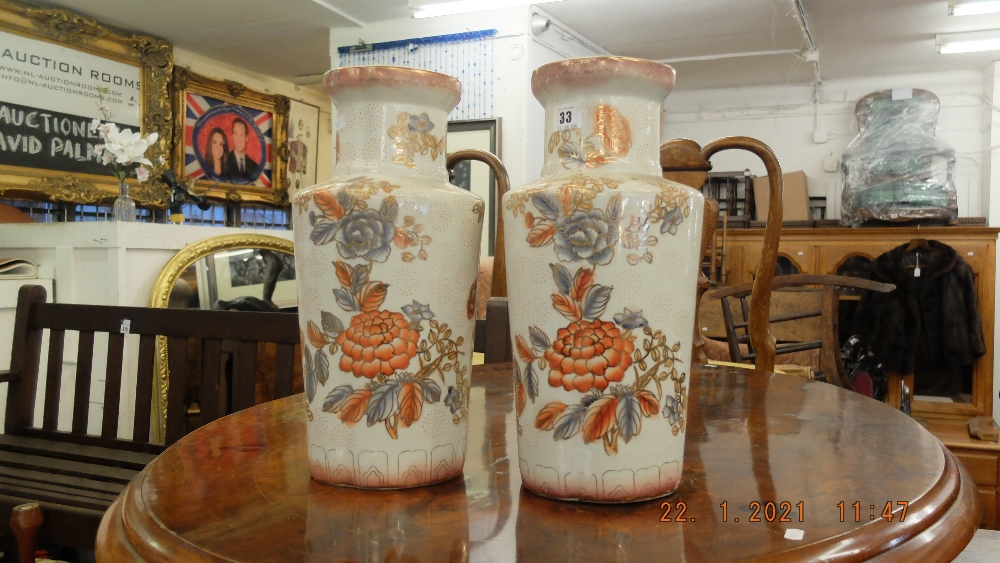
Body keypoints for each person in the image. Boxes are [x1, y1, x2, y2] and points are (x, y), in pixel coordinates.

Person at [225, 117, 258, 182]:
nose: (238, 139)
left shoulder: (255, 167)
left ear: (246, 138)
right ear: (232, 136)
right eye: (235, 134)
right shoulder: (223, 162)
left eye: (241, 135)